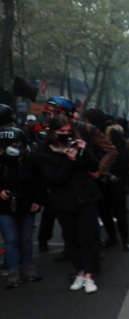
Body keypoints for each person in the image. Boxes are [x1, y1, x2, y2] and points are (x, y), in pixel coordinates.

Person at [28, 115, 101, 293]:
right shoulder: (45, 153)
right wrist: (69, 162)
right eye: (61, 132)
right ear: (53, 132)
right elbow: (55, 179)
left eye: (68, 131)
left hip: (86, 198)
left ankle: (90, 275)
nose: (65, 134)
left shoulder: (77, 145)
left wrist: (84, 151)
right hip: (62, 202)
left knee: (87, 238)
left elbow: (94, 167)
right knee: (72, 239)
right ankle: (80, 272)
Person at [0, 105, 43, 287]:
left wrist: (38, 200)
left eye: (15, 143)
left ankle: (28, 268)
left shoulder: (30, 159)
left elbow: (40, 180)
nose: (11, 148)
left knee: (25, 239)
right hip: (4, 205)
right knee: (10, 240)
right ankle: (13, 272)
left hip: (27, 202)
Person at [81, 108, 129, 252]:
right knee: (104, 211)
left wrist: (116, 174)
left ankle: (125, 239)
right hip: (97, 179)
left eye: (86, 120)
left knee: (119, 210)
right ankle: (112, 237)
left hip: (114, 179)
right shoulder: (87, 133)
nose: (84, 123)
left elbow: (121, 156)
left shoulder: (111, 132)